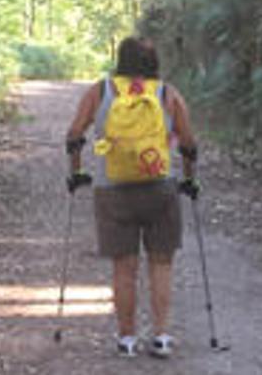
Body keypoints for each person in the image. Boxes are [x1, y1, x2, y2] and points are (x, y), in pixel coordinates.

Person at [64, 37, 201, 359]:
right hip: (161, 188)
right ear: (154, 63)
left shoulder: (100, 91)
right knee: (161, 264)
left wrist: (77, 172)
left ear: (120, 59)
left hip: (112, 189)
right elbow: (189, 143)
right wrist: (190, 179)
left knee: (123, 267)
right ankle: (162, 336)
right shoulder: (167, 93)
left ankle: (127, 339)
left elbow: (74, 135)